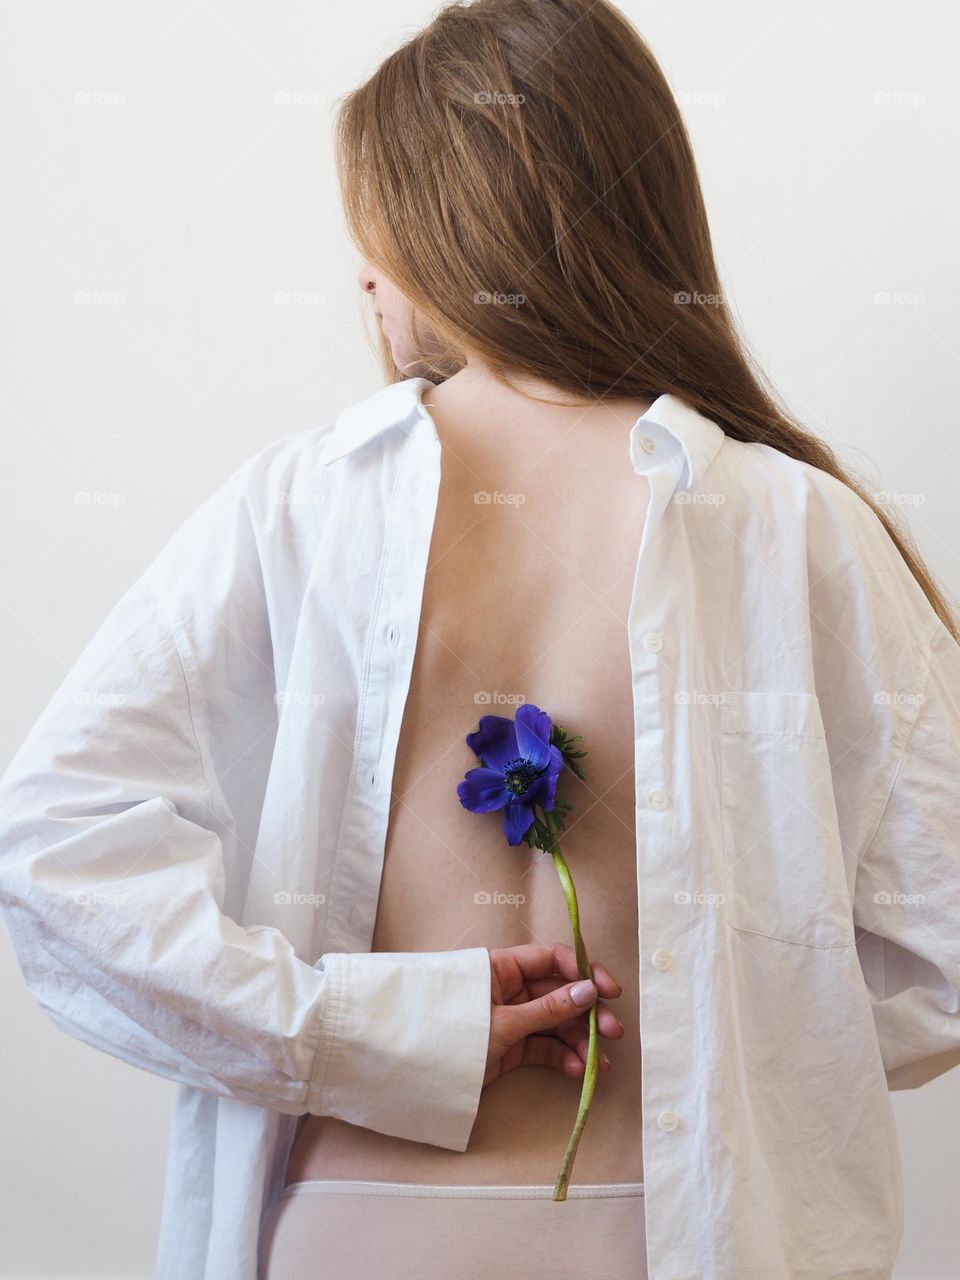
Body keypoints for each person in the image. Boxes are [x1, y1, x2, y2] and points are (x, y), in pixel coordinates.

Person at [1, 1, 959, 1277]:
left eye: (379, 232)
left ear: (454, 235)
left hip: (351, 1231)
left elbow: (55, 855)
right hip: (681, 1232)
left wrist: (360, 1030)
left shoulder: (300, 504)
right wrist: (748, 1043)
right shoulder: (798, 527)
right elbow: (941, 941)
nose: (362, 278)